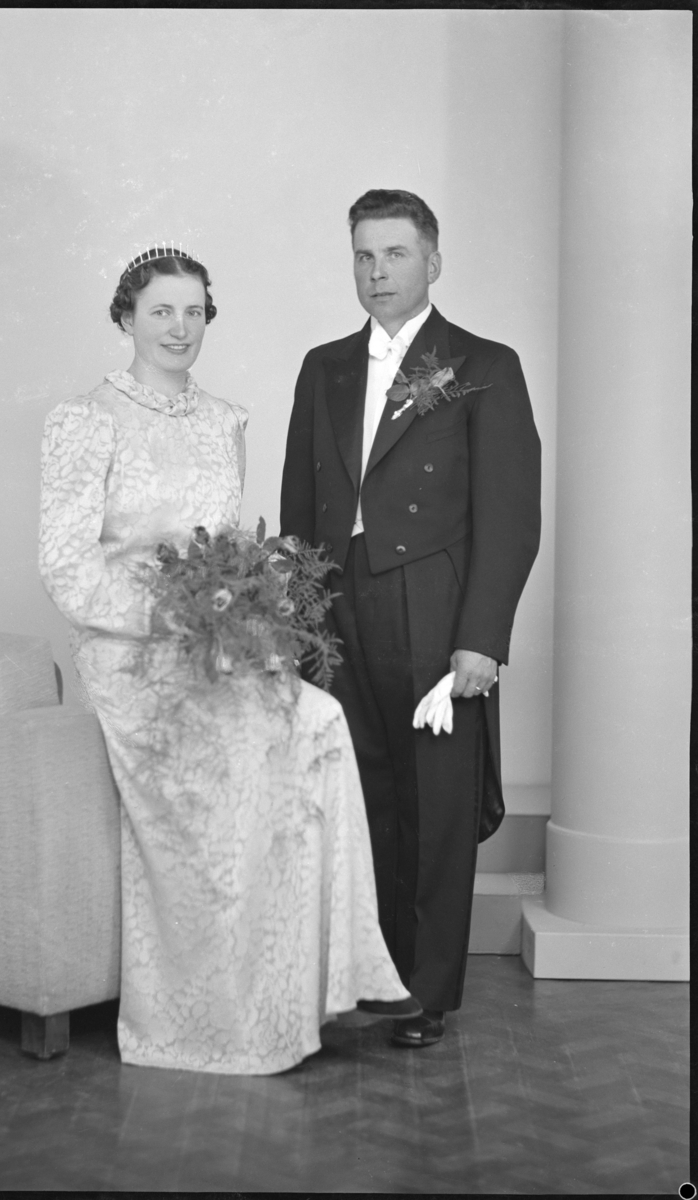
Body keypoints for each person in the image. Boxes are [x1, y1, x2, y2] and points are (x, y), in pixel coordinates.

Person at [38, 243, 410, 1074]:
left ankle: (323, 980)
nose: (179, 327)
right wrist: (167, 617)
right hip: (130, 657)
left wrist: (244, 612)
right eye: (160, 311)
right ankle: (213, 1016)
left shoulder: (224, 421)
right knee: (241, 753)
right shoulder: (84, 420)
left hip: (219, 644)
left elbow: (228, 547)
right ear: (126, 317)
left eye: (194, 311)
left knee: (319, 720)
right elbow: (65, 567)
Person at [280, 190, 541, 1048]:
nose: (377, 271)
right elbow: (299, 503)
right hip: (338, 601)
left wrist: (481, 639)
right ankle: (372, 975)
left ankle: (425, 993)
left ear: (433, 260)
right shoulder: (323, 366)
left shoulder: (483, 364)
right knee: (364, 794)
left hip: (434, 602)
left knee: (435, 802)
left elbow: (511, 517)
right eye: (364, 255)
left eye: (395, 253)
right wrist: (300, 621)